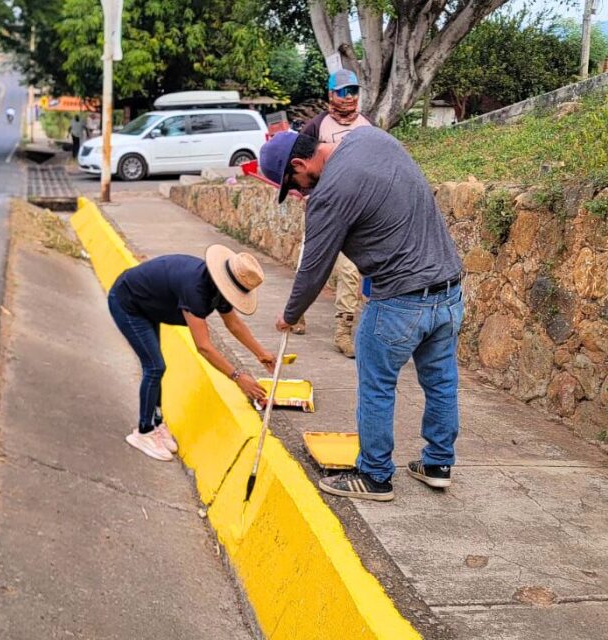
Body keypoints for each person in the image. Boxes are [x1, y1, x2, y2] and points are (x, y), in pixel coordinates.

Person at [260, 128, 464, 502]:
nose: (300, 193)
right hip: (448, 291)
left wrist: (290, 315)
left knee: (377, 386)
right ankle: (438, 463)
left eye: (294, 185)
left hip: (399, 301)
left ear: (299, 165)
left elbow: (314, 268)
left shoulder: (328, 194)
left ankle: (374, 475)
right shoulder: (374, 140)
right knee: (441, 381)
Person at [108, 246, 277, 461]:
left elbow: (233, 324)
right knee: (155, 366)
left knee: (156, 367)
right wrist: (238, 377)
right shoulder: (196, 288)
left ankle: (157, 423)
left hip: (148, 305)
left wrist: (261, 353)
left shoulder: (218, 286)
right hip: (127, 304)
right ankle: (143, 432)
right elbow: (204, 346)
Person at [300, 69, 370, 358]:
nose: (349, 97)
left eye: (353, 90)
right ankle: (296, 312)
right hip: (324, 210)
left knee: (351, 272)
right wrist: (307, 195)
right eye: (343, 91)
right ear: (330, 94)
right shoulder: (317, 127)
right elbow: (300, 164)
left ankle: (343, 332)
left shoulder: (367, 127)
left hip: (355, 212)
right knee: (309, 264)